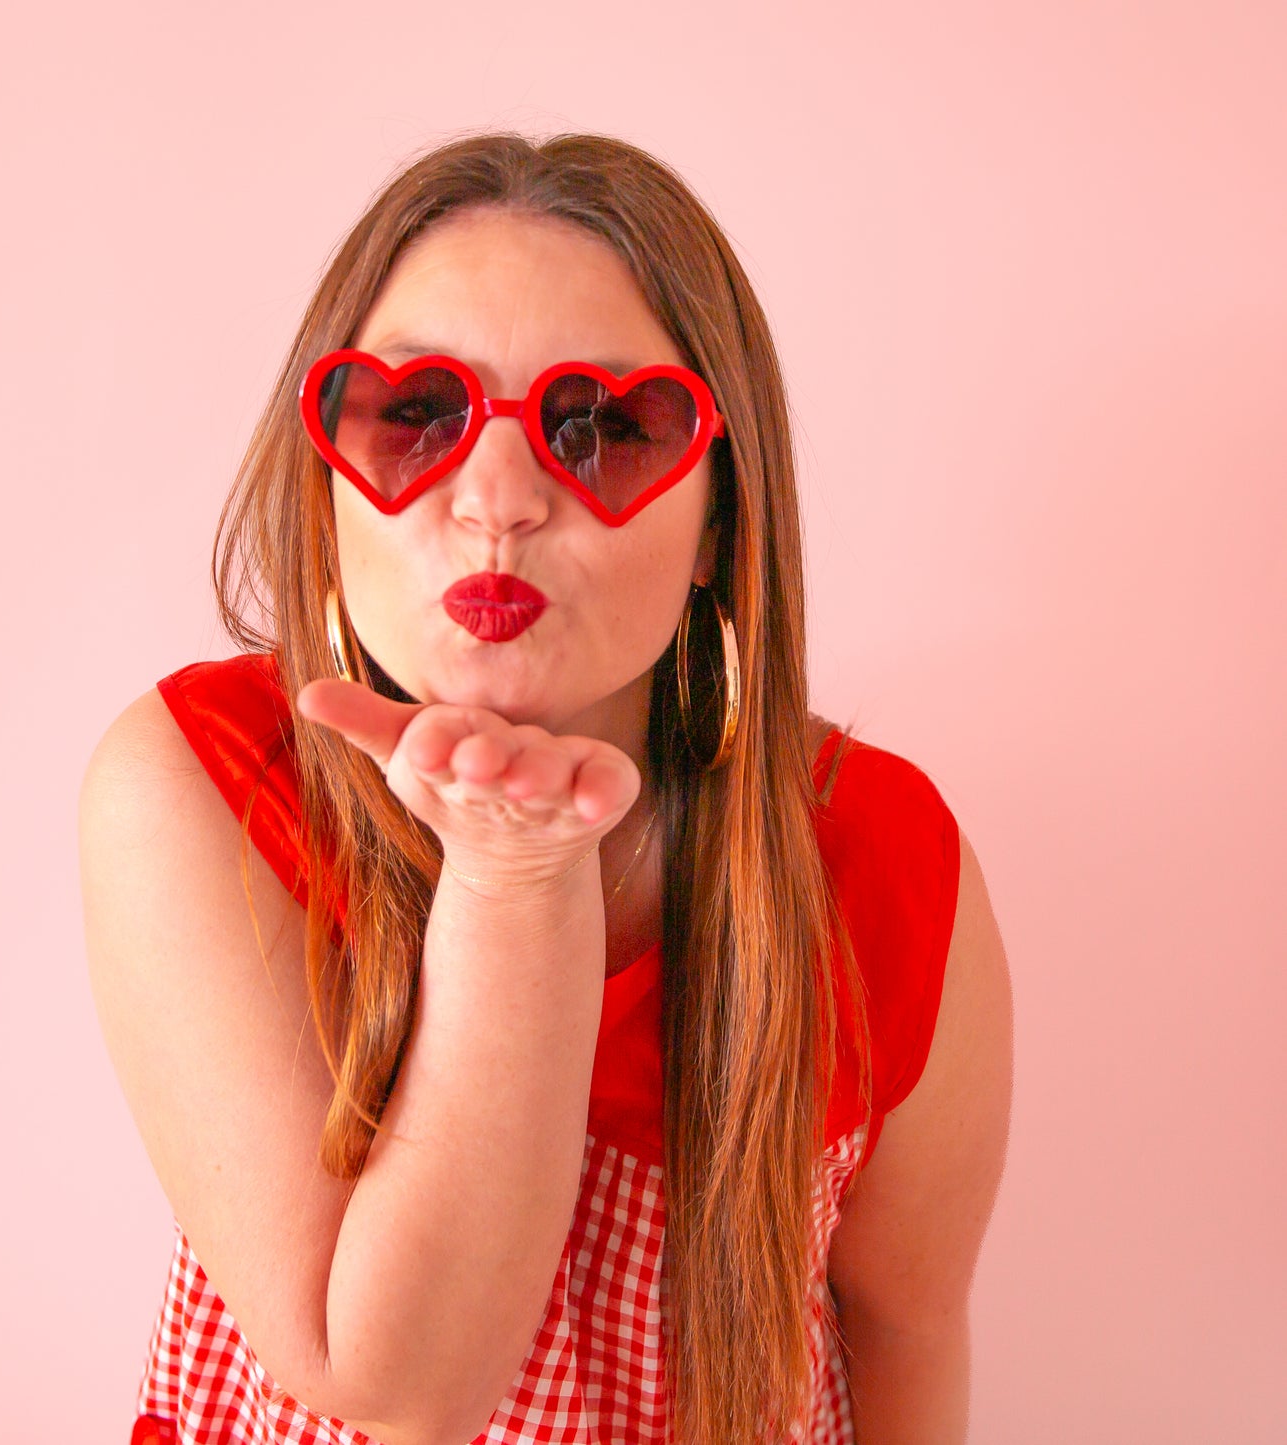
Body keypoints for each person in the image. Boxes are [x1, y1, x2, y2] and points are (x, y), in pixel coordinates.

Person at [79, 133, 1013, 1445]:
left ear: (716, 527)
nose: (499, 498)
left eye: (602, 428)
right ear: (325, 482)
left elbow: (909, 1331)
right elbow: (400, 1387)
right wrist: (517, 871)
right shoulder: (197, 786)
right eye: (415, 413)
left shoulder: (881, 861)